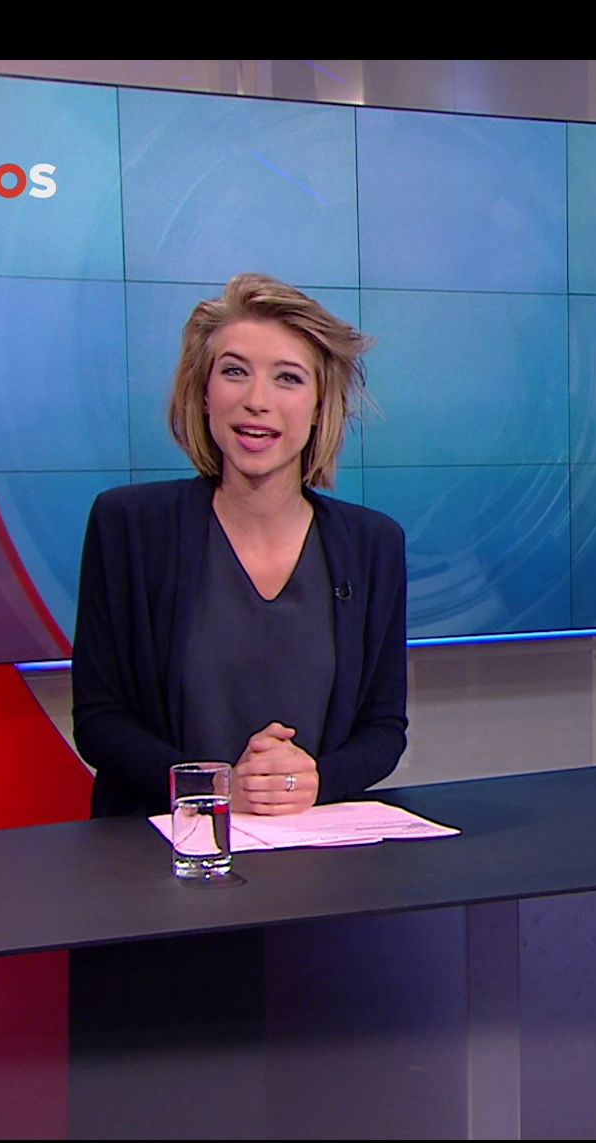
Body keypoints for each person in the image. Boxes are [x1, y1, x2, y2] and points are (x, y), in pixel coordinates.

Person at [72, 274, 408, 818]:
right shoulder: (129, 526)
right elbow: (100, 721)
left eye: (288, 378)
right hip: (163, 848)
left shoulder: (373, 545)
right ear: (204, 394)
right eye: (234, 372)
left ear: (320, 406)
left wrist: (312, 780)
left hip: (316, 848)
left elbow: (384, 729)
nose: (256, 401)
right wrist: (218, 787)